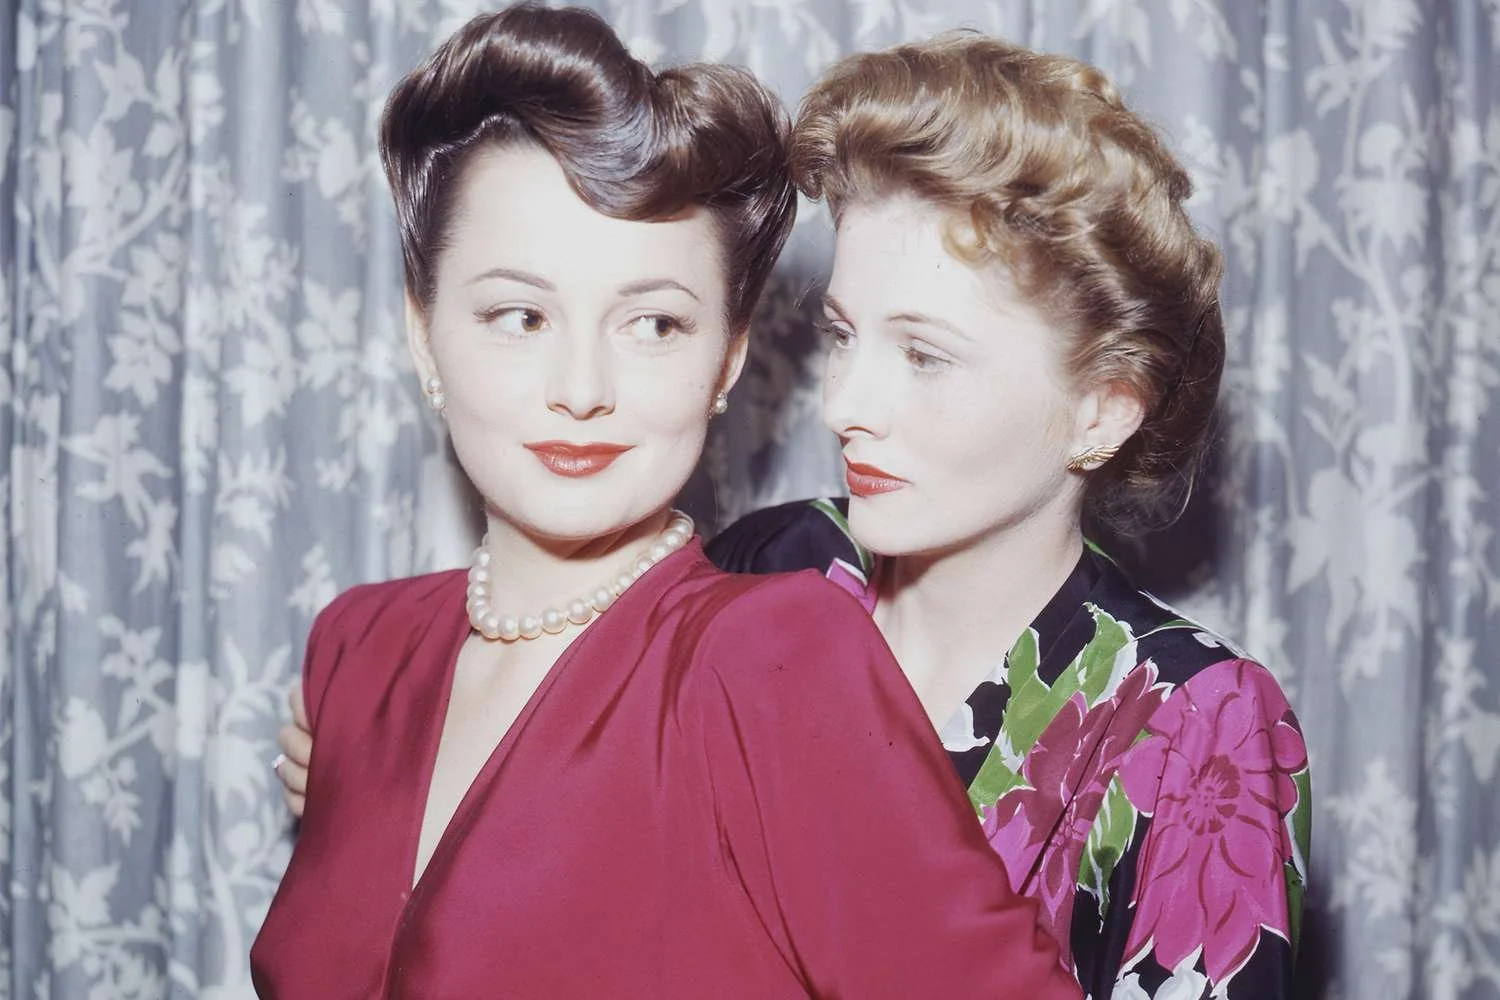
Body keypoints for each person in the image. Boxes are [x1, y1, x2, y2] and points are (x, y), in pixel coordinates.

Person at [274, 25, 1311, 1000]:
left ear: (1102, 410)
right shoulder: (779, 556)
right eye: (841, 336)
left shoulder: (1196, 714)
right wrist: (374, 749)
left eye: (925, 355)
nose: (844, 404)